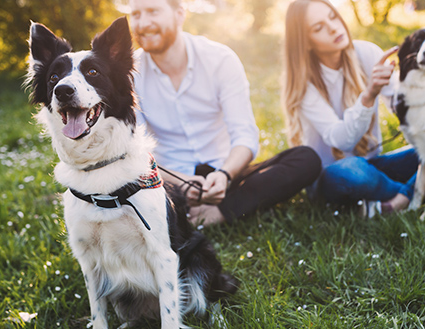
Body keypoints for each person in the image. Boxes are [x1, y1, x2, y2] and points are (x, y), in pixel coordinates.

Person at [129, 0, 322, 226]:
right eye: (136, 14)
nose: (143, 23)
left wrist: (224, 175)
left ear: (180, 14)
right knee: (129, 193)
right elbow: (136, 152)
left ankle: (219, 212)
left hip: (227, 176)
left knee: (306, 159)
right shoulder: (129, 73)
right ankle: (216, 210)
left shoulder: (220, 59)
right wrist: (182, 182)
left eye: (153, 11)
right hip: (168, 183)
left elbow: (245, 137)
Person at [282, 0, 418, 213]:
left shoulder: (368, 54)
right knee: (353, 172)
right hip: (332, 175)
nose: (333, 27)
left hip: (372, 165)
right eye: (318, 28)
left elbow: (404, 110)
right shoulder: (304, 83)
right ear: (305, 42)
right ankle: (415, 192)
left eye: (333, 17)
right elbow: (342, 141)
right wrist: (369, 95)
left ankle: (394, 200)